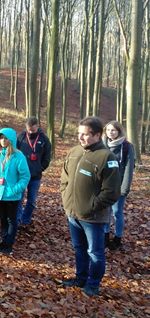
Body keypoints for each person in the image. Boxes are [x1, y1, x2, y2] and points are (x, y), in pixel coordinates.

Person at [61, 116, 120, 296]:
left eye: (85, 135)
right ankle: (80, 278)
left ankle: (93, 285)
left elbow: (111, 192)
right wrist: (65, 198)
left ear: (97, 135)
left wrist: (91, 206)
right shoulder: (74, 152)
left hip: (93, 217)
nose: (80, 138)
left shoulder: (107, 157)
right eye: (79, 133)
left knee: (95, 252)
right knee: (79, 248)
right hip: (73, 213)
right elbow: (65, 178)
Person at [0, 128, 30, 255]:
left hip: (12, 195)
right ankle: (4, 241)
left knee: (12, 220)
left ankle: (8, 245)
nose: (3, 141)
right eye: (1, 138)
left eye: (5, 138)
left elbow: (25, 176)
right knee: (2, 218)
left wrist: (16, 189)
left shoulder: (18, 156)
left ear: (11, 140)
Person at [102, 121, 134, 251]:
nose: (111, 132)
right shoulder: (102, 145)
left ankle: (117, 237)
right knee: (106, 212)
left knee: (117, 212)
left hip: (119, 185)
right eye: (109, 130)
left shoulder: (126, 146)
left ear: (119, 131)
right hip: (104, 185)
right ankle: (105, 236)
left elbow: (129, 167)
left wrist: (124, 188)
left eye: (114, 130)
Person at [16, 116, 51, 227]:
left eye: (33, 130)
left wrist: (40, 168)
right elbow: (15, 154)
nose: (30, 132)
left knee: (31, 201)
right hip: (21, 175)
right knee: (18, 199)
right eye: (29, 129)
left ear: (38, 126)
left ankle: (25, 220)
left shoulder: (44, 139)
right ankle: (16, 220)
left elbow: (47, 157)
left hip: (35, 176)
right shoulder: (20, 137)